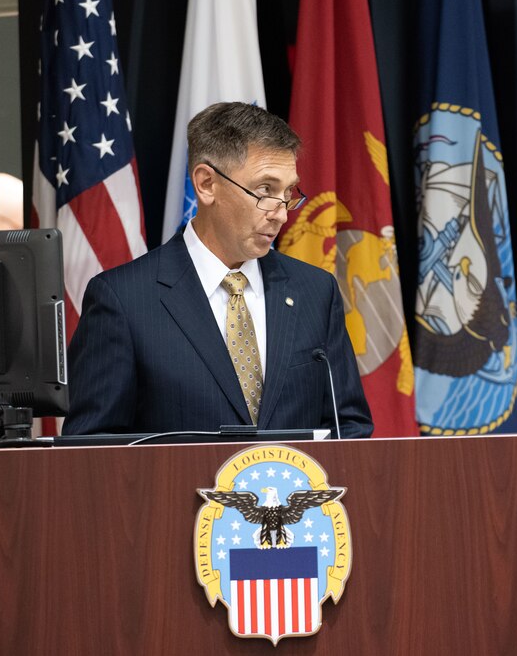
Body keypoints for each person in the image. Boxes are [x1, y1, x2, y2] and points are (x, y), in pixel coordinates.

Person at [63, 102, 373, 438]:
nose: (281, 214)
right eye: (265, 190)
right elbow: (91, 451)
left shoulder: (314, 291)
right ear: (207, 184)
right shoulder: (123, 300)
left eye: (288, 193)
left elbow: (349, 428)